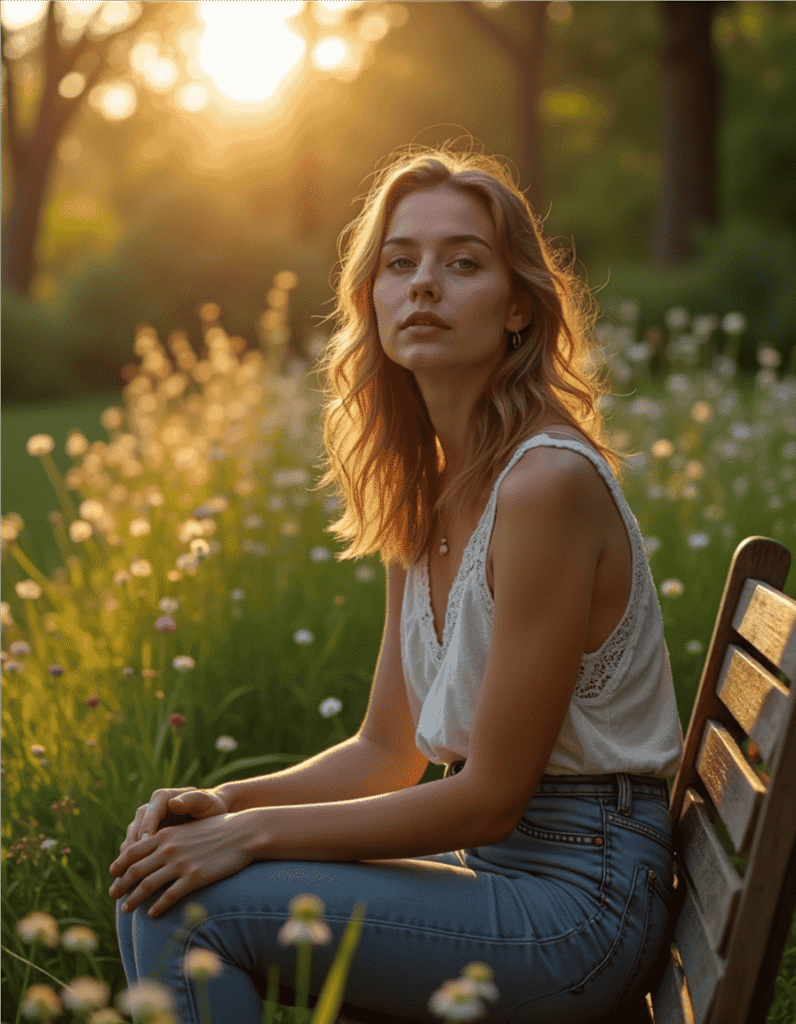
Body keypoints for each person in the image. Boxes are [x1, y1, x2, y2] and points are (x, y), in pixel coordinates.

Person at [110, 145, 684, 1024]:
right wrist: (225, 804)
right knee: (168, 876)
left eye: (463, 263)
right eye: (399, 262)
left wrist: (249, 836)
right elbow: (388, 753)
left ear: (521, 309)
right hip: (508, 875)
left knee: (187, 907)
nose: (423, 284)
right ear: (370, 299)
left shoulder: (545, 485)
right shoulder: (430, 491)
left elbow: (490, 797)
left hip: (584, 902)